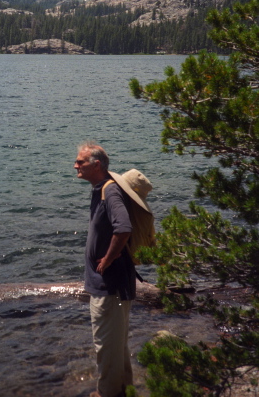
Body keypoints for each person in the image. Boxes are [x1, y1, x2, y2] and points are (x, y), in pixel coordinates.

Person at [74, 142, 152, 397]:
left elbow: (124, 228)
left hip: (110, 284)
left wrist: (107, 259)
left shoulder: (111, 192)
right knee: (116, 344)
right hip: (110, 283)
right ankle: (124, 390)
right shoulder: (102, 189)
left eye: (80, 161)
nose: (75, 165)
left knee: (106, 345)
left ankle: (107, 393)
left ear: (97, 165)